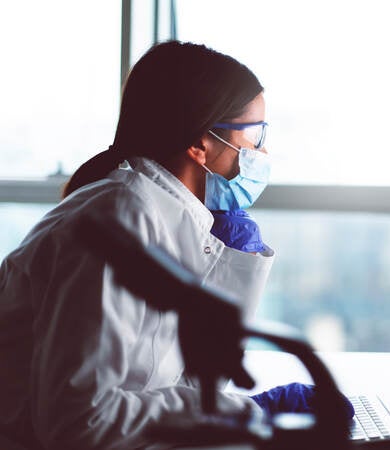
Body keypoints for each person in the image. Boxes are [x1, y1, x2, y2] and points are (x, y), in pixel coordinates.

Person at [0, 41, 349, 450]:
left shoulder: (171, 217)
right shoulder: (122, 219)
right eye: (255, 134)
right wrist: (252, 414)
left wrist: (230, 266)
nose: (263, 152)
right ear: (201, 142)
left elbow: (179, 383)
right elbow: (81, 423)